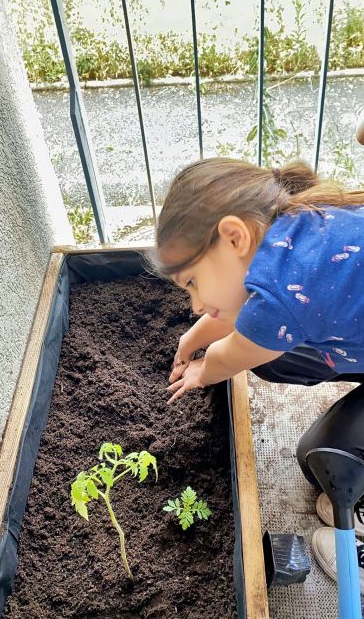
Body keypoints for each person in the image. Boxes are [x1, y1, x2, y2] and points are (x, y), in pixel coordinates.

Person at [150, 157, 364, 592]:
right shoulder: (291, 226)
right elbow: (242, 314)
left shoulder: (279, 296)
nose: (195, 303)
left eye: (192, 283)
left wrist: (201, 371)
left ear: (234, 237)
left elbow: (231, 354)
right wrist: (191, 338)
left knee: (324, 463)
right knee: (271, 358)